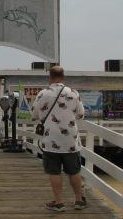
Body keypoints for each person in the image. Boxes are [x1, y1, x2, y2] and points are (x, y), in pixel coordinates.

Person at [31, 66, 86, 212]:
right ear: (63, 77)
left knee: (54, 172)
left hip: (50, 140)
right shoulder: (73, 93)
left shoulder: (42, 94)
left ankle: (59, 203)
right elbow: (81, 114)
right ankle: (79, 201)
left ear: (50, 77)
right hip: (71, 141)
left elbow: (34, 115)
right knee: (74, 171)